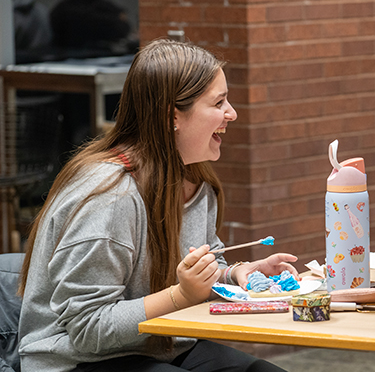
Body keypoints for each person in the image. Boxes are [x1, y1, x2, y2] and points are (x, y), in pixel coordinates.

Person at [17, 39, 297, 372]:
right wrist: (182, 295)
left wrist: (234, 274)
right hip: (75, 360)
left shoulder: (196, 182)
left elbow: (192, 275)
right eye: (219, 102)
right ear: (171, 116)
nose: (231, 113)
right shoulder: (109, 198)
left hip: (159, 347)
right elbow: (88, 329)